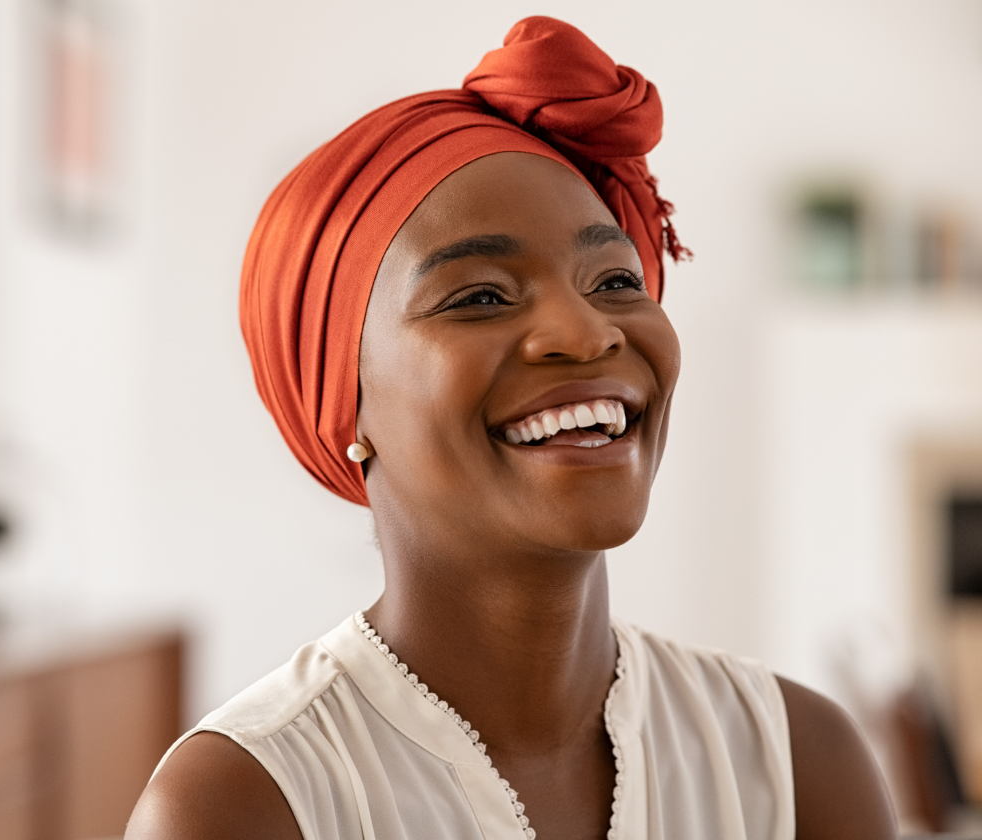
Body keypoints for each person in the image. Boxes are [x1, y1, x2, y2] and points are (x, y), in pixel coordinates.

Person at [127, 17, 896, 840]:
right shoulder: (247, 803)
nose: (587, 331)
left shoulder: (795, 763)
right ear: (342, 402)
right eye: (481, 296)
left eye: (614, 279)